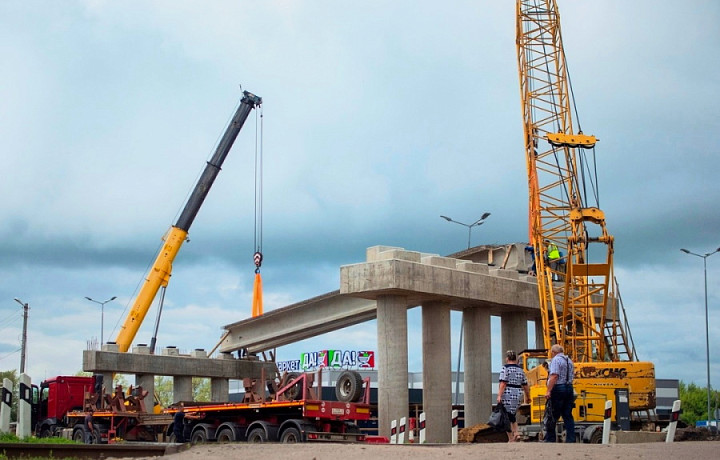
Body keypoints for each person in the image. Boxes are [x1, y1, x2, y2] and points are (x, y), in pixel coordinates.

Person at [544, 344, 575, 443]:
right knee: (568, 415)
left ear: (553, 352)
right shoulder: (569, 361)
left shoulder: (556, 360)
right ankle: (571, 439)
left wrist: (548, 390)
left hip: (558, 388)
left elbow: (554, 376)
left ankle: (550, 439)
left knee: (552, 414)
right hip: (569, 388)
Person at [497, 350, 531, 442]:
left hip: (507, 392)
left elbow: (503, 383)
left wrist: (499, 395)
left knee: (506, 416)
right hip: (518, 393)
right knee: (512, 414)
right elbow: (525, 385)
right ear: (516, 359)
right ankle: (515, 434)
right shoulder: (520, 370)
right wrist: (528, 396)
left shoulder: (505, 368)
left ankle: (512, 436)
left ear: (507, 358)